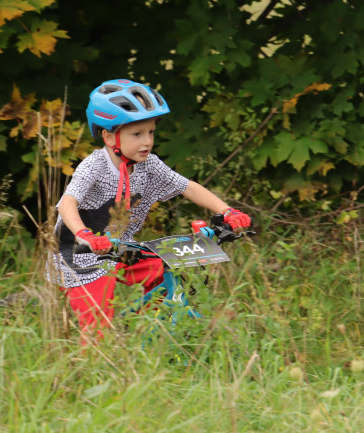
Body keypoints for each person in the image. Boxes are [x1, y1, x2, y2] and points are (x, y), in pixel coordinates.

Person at [50, 78, 252, 342]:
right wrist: (84, 235)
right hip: (80, 255)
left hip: (120, 246)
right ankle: (96, 361)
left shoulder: (149, 165)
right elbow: (67, 203)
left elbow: (187, 187)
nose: (147, 141)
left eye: (151, 133)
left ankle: (151, 336)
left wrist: (227, 211)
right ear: (109, 136)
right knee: (98, 329)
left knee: (166, 270)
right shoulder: (94, 166)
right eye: (137, 134)